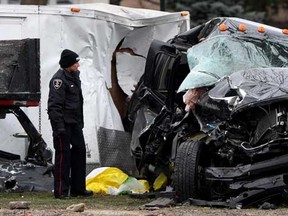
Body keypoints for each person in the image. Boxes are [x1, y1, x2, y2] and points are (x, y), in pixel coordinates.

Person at [47, 49, 93, 199]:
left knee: (79, 152)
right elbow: (54, 106)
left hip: (75, 123)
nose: (78, 65)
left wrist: (80, 123)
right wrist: (59, 127)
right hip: (63, 124)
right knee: (63, 156)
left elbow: (77, 102)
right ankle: (61, 191)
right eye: (75, 62)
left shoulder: (74, 76)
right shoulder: (58, 80)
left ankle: (78, 188)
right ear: (68, 64)